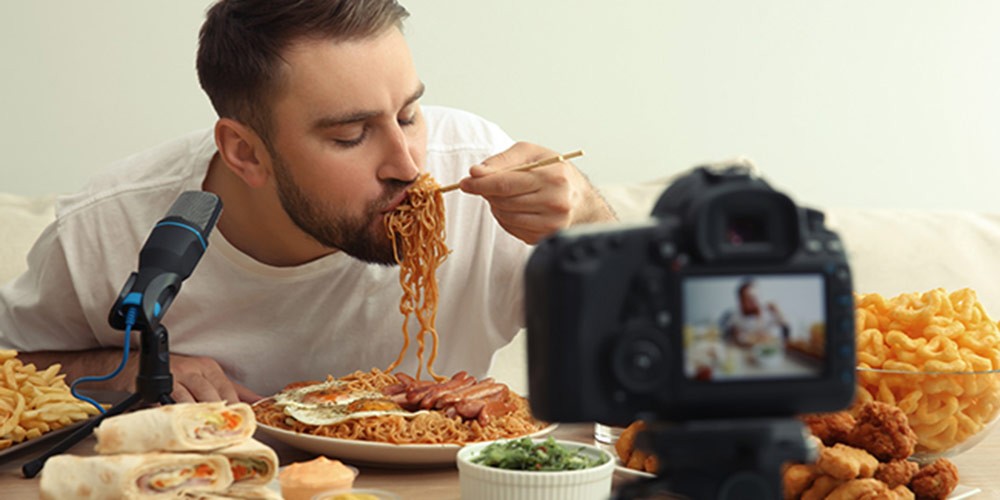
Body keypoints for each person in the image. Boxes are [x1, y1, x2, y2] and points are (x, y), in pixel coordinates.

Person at [0, 0, 615, 404]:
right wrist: (109, 370)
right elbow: (12, 368)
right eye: (350, 135)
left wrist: (590, 223)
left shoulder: (482, 173)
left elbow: (670, 349)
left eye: (409, 114)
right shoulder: (110, 225)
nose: (407, 164)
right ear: (245, 153)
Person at [722, 279, 789, 347]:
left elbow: (786, 330)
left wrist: (779, 312)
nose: (754, 301)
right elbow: (726, 335)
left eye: (755, 297)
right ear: (741, 301)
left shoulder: (768, 312)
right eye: (749, 298)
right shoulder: (736, 316)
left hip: (767, 349)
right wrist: (733, 334)